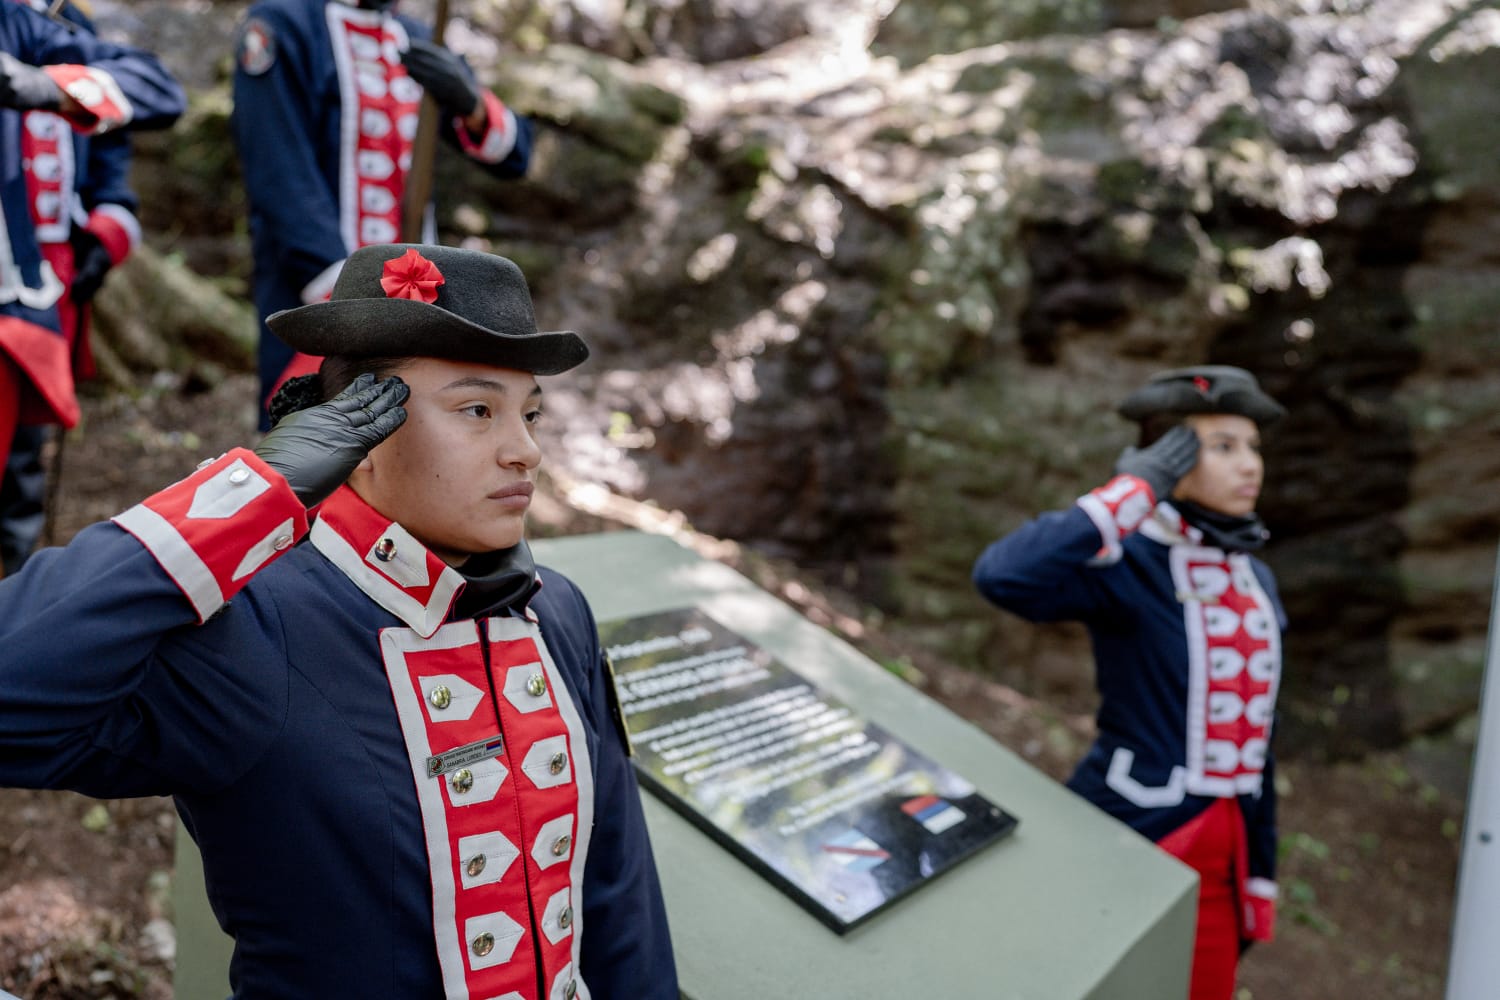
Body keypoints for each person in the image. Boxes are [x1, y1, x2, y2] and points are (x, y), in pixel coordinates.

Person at [0, 243, 677, 999]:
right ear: (360, 437)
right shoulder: (253, 627)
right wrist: (246, 494)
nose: (525, 452)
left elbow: (619, 899)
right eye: (478, 410)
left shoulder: (557, 611)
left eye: (530, 414)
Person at [971, 365, 1287, 1000]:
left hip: (1227, 848)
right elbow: (1002, 576)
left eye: (1252, 447)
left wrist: (1260, 864)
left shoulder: (1255, 578)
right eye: (1223, 447)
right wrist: (1132, 490)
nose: (1249, 465)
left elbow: (1260, 736)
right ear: (1171, 458)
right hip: (1131, 829)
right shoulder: (1129, 559)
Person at [231, 0, 535, 425]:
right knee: (309, 436)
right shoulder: (285, 25)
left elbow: (515, 155)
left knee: (412, 433)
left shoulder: (417, 37)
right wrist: (352, 305)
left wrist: (471, 104)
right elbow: (278, 167)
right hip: (311, 292)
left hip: (420, 299)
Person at [0, 0, 184, 573]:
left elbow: (124, 132)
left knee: (24, 465)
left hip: (50, 291)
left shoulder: (62, 23)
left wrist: (106, 233)